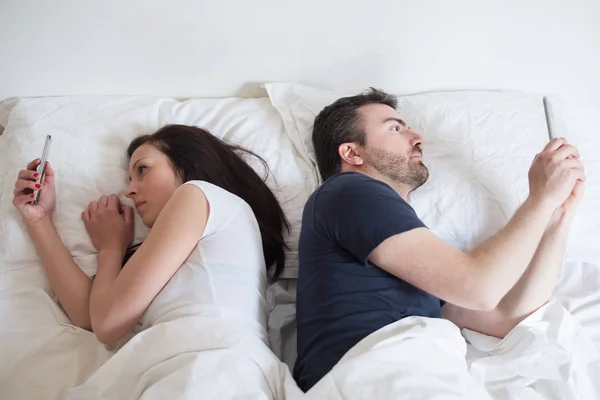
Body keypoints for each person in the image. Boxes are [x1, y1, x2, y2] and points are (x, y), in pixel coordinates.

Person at [293, 89, 585, 391]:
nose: (418, 138)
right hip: (375, 375)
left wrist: (558, 214)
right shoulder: (348, 191)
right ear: (352, 153)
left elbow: (506, 318)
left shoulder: (410, 250)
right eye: (395, 128)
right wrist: (539, 198)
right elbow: (479, 288)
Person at [12, 124, 289, 345]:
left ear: (190, 162)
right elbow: (89, 314)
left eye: (142, 170)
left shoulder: (200, 195)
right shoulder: (192, 241)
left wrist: (110, 250)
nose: (129, 191)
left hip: (207, 364)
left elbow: (106, 322)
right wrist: (39, 219)